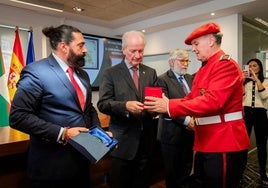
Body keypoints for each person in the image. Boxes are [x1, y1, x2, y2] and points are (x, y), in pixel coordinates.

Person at [144, 22, 250, 188]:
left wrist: (170, 106)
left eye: (195, 44)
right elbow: (191, 97)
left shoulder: (225, 65)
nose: (193, 49)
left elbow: (212, 101)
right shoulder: (204, 69)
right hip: (207, 141)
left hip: (224, 142)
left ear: (210, 41)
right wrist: (166, 105)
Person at [9, 24, 101, 188]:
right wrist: (63, 133)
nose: (85, 50)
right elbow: (18, 116)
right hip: (52, 166)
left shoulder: (82, 74)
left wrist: (100, 135)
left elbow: (88, 108)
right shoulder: (36, 71)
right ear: (63, 46)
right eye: (81, 45)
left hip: (81, 161)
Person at [97, 30, 158, 188]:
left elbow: (155, 100)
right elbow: (103, 103)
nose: (138, 55)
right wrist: (125, 106)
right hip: (122, 144)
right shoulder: (110, 73)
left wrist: (154, 109)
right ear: (123, 49)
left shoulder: (150, 72)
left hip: (147, 142)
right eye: (133, 51)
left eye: (141, 51)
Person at [157, 48, 195, 188]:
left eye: (187, 61)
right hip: (171, 134)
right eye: (182, 61)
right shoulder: (161, 80)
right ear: (172, 62)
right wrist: (187, 121)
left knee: (186, 168)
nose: (185, 64)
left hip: (190, 132)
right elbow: (164, 107)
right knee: (173, 172)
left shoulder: (190, 78)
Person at [243, 58, 268, 186]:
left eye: (255, 65)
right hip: (246, 113)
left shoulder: (266, 81)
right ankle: (240, 171)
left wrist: (256, 79)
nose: (252, 67)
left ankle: (263, 173)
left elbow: (264, 96)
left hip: (260, 114)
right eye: (250, 66)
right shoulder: (244, 83)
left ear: (260, 67)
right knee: (242, 144)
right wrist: (242, 80)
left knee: (262, 145)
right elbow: (239, 97)